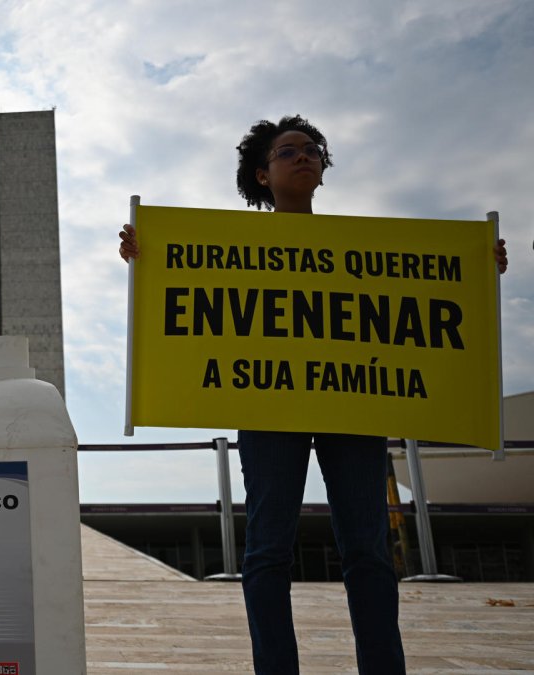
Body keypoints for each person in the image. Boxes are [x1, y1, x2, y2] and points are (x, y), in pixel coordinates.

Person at [119, 115, 508, 674]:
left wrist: (476, 269)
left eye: (312, 150)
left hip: (354, 407)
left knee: (369, 552)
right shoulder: (231, 246)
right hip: (268, 409)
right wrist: (147, 255)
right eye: (287, 151)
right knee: (268, 551)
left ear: (322, 169)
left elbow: (436, 287)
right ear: (261, 175)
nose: (303, 156)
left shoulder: (365, 248)